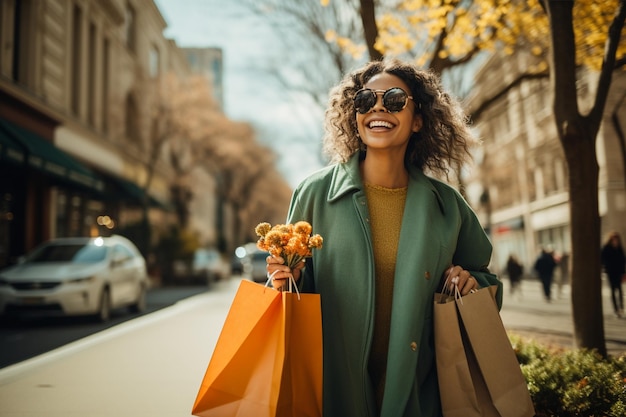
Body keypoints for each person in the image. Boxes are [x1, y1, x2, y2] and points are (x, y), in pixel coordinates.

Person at [267, 59, 502, 417]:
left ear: (418, 119)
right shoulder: (313, 194)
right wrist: (286, 278)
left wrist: (472, 283)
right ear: (354, 116)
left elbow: (486, 282)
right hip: (333, 393)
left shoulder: (447, 205)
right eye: (365, 100)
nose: (378, 108)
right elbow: (295, 292)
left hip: (423, 396)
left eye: (393, 99)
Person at [601, 231, 625, 318]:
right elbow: (602, 259)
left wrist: (623, 272)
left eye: (616, 239)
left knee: (619, 289)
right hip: (610, 272)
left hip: (618, 272)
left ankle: (621, 308)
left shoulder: (619, 248)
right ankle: (615, 309)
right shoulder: (606, 248)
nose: (615, 241)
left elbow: (623, 260)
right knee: (613, 291)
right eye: (613, 239)